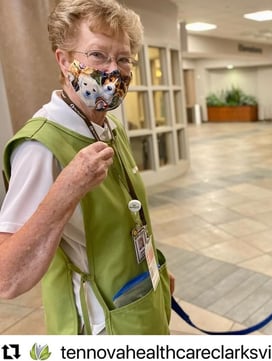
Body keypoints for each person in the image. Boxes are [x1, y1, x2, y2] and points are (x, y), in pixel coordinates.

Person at [0, 0, 173, 334]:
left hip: (137, 300)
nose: (114, 69)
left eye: (123, 58)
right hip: (97, 328)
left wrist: (151, 273)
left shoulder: (109, 127)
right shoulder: (40, 146)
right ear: (63, 60)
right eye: (97, 55)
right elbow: (7, 278)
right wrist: (69, 187)